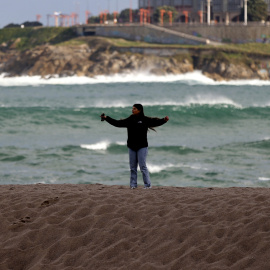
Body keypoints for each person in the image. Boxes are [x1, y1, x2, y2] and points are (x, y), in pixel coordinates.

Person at [100, 104, 169, 189]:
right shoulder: (130, 119)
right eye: (132, 108)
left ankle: (147, 185)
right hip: (132, 147)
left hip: (142, 146)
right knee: (133, 167)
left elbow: (155, 122)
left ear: (139, 110)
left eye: (134, 109)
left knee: (142, 166)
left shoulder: (145, 119)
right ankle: (133, 185)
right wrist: (107, 118)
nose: (132, 110)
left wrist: (164, 120)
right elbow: (117, 123)